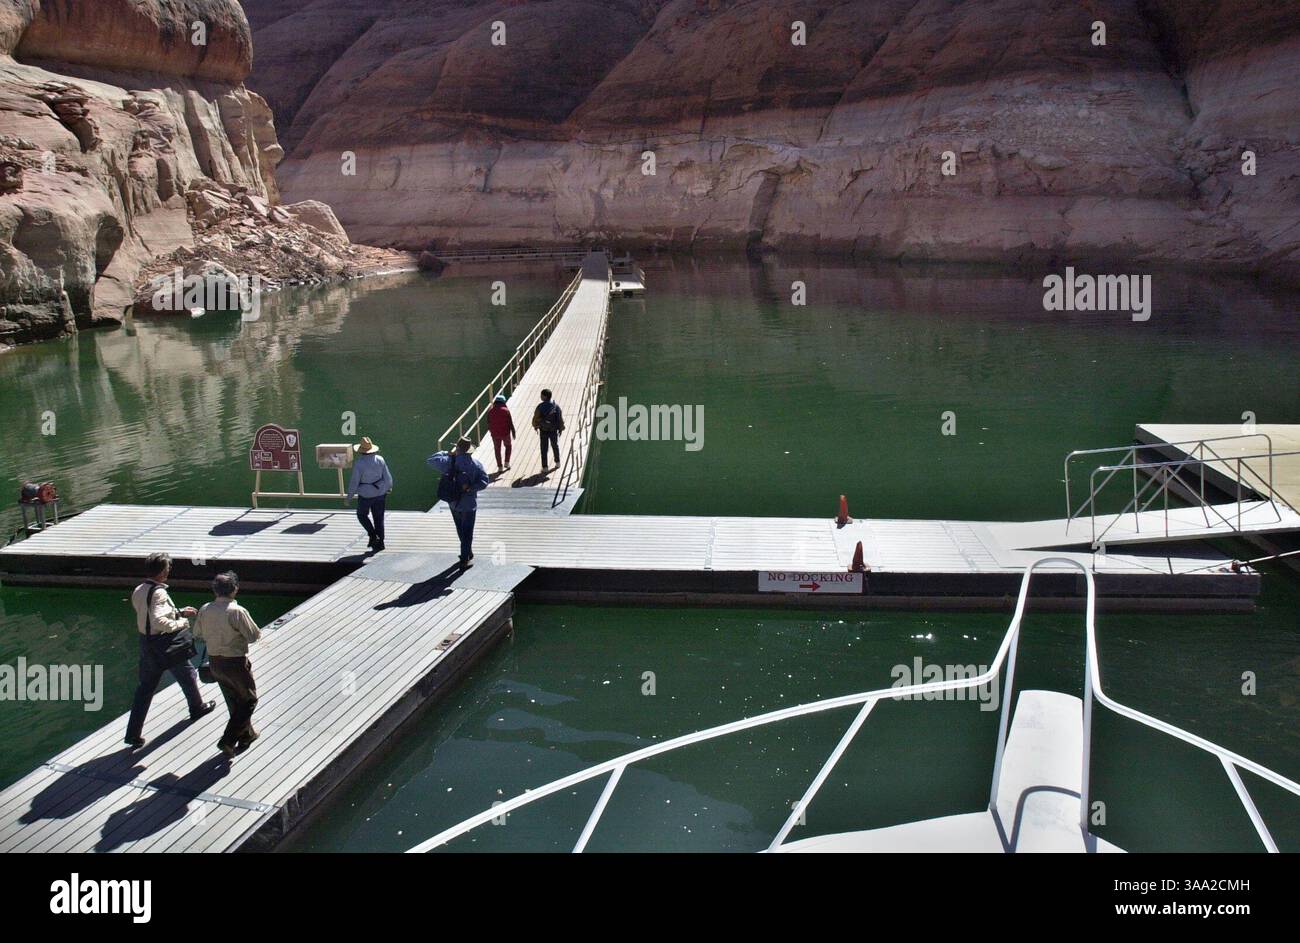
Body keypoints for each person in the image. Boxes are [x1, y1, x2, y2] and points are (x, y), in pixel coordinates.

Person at [124, 553, 214, 749]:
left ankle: (133, 733)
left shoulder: (139, 589)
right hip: (165, 644)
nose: (169, 571)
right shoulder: (159, 592)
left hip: (146, 643)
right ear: (162, 571)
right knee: (188, 674)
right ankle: (197, 708)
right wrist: (181, 622)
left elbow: (147, 616)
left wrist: (178, 611)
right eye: (167, 568)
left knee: (145, 689)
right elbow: (158, 621)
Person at [194, 571, 263, 758]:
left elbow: (198, 634)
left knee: (233, 699)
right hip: (235, 662)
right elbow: (254, 635)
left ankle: (247, 735)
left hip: (215, 662)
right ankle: (228, 739)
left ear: (215, 591)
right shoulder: (237, 611)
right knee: (249, 700)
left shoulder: (205, 608)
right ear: (234, 589)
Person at [446, 436, 489, 567]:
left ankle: (467, 552)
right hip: (469, 504)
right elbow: (484, 482)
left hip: (453, 502)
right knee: (468, 531)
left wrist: (448, 453)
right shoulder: (476, 464)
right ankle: (465, 558)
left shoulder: (449, 462)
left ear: (458, 449)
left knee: (460, 528)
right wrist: (471, 488)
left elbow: (431, 460)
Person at [347, 436, 393, 552]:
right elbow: (387, 477)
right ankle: (381, 542)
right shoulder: (380, 459)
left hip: (365, 494)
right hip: (380, 492)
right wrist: (388, 487)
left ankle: (372, 535)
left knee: (361, 515)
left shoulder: (359, 463)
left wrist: (349, 497)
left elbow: (354, 481)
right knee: (379, 518)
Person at [533, 388, 565, 470]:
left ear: (544, 396)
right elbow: (560, 418)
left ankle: (545, 467)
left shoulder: (540, 407)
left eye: (541, 395)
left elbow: (535, 418)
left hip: (543, 430)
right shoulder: (556, 406)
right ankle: (557, 463)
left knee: (544, 448)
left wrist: (535, 426)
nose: (540, 397)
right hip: (553, 430)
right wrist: (560, 428)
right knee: (555, 446)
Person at [487, 393, 517, 473]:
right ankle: (507, 463)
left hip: (495, 434)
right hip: (505, 433)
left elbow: (488, 423)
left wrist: (491, 430)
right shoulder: (506, 410)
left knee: (497, 449)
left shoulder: (490, 411)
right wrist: (513, 431)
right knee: (508, 446)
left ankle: (500, 467)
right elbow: (510, 422)